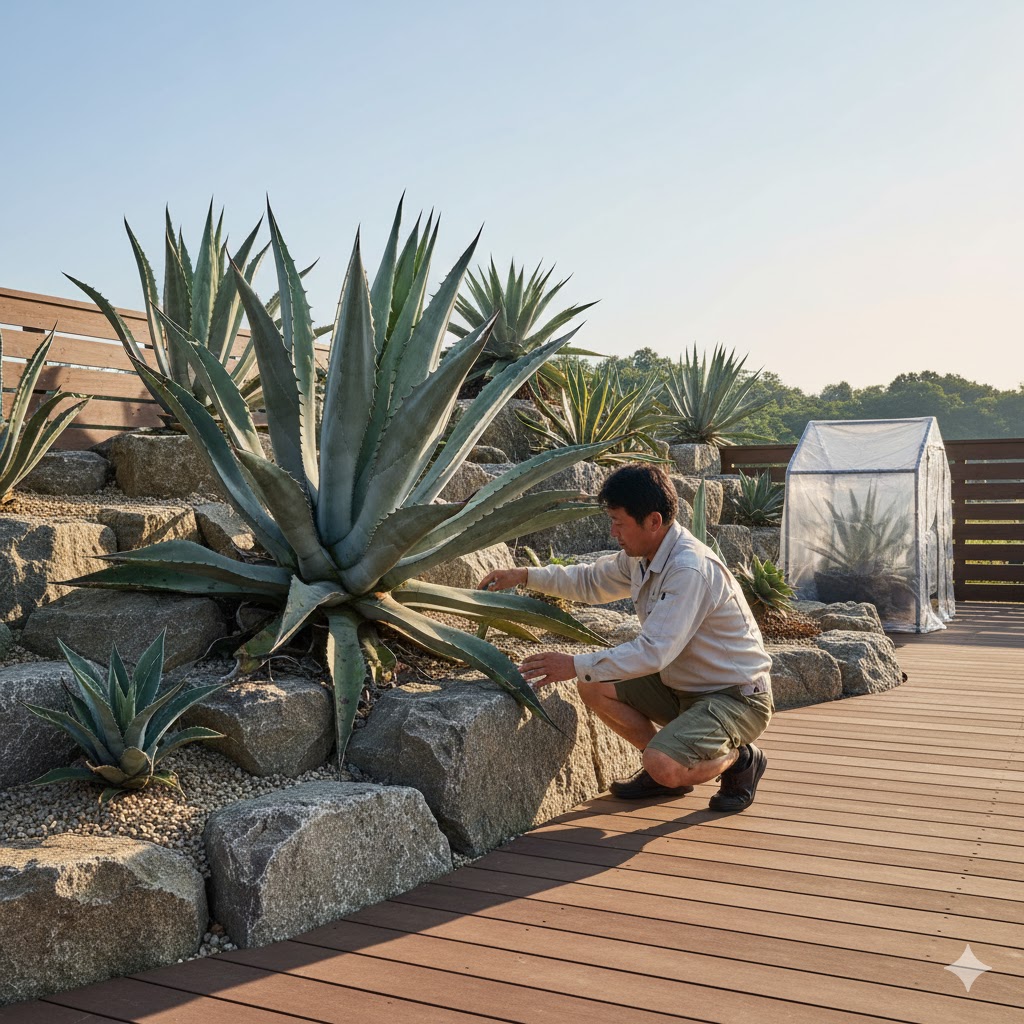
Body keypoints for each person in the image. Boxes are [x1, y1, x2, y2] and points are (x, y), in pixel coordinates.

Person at [478, 463, 773, 812]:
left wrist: (573, 664)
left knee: (663, 762)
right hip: (682, 687)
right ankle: (661, 771)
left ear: (653, 521)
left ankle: (740, 760)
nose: (613, 531)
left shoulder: (689, 569)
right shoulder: (644, 555)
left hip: (735, 697)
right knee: (594, 684)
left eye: (619, 523)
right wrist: (524, 574)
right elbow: (589, 581)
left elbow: (653, 653)